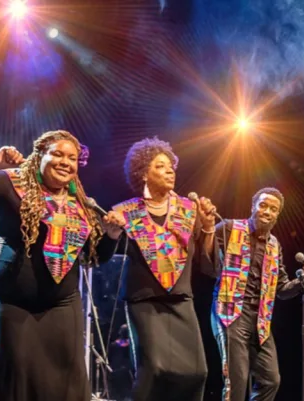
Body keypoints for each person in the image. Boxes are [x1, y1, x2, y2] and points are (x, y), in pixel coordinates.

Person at [0, 130, 115, 401]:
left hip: (62, 302)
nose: (65, 162)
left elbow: (95, 257)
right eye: (57, 154)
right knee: (17, 376)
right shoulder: (9, 182)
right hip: (14, 300)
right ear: (40, 155)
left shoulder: (81, 203)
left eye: (72, 158)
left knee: (66, 378)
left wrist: (111, 236)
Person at [101, 137, 217, 401]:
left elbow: (207, 264)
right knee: (155, 371)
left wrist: (209, 227)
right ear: (144, 173)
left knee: (197, 373)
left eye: (171, 167)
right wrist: (111, 233)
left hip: (181, 301)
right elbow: (102, 256)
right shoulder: (125, 212)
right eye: (160, 166)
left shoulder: (188, 210)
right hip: (145, 302)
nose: (169, 171)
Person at [208, 187, 304, 401]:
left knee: (271, 380)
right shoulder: (229, 228)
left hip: (260, 319)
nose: (267, 212)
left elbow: (282, 290)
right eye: (263, 205)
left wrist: (303, 279)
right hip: (230, 312)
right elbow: (205, 254)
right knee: (237, 381)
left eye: (273, 209)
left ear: (278, 215)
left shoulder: (274, 246)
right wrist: (206, 226)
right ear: (253, 207)